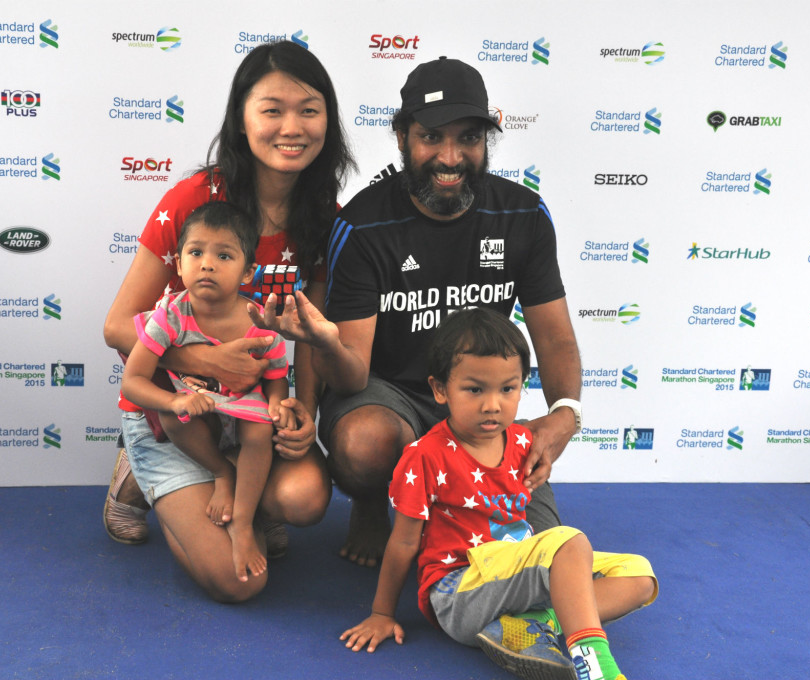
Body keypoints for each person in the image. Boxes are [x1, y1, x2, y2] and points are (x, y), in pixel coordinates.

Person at [252, 56, 582, 567]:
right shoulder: (362, 225)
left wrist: (565, 413)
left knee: (542, 558)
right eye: (431, 137)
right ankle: (373, 504)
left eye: (469, 138)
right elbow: (352, 372)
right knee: (366, 443)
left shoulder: (524, 213)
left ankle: (449, 516)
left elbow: (555, 337)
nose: (450, 157)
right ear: (402, 137)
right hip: (388, 397)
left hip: (478, 398)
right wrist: (323, 345)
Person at [102, 40, 354, 602]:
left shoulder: (324, 214)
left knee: (304, 499)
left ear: (328, 120)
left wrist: (303, 410)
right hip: (178, 409)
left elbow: (310, 336)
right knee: (240, 583)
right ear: (241, 119)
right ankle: (139, 474)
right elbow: (118, 325)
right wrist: (205, 361)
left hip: (253, 410)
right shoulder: (194, 199)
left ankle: (244, 494)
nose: (292, 127)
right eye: (272, 110)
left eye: (309, 110)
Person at [339, 308, 657, 680]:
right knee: (569, 543)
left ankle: (531, 624)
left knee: (639, 576)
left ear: (522, 385)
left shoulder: (524, 442)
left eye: (507, 389)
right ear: (440, 389)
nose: (492, 404)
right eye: (475, 389)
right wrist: (382, 613)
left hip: (514, 579)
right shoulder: (424, 455)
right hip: (458, 593)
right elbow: (404, 542)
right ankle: (595, 667)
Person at [122, 202, 295, 582]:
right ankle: (221, 472)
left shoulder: (258, 321)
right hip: (193, 413)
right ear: (179, 264)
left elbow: (277, 376)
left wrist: (277, 404)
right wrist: (175, 400)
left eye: (224, 256)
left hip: (240, 410)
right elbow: (132, 382)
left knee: (260, 428)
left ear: (247, 272)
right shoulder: (169, 315)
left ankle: (244, 522)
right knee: (174, 415)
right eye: (196, 253)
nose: (207, 265)